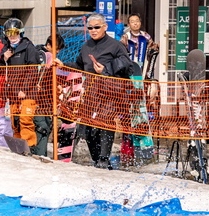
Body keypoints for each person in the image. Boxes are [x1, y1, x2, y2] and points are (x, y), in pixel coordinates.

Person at [74, 12, 134, 168]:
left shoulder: (115, 45)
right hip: (91, 93)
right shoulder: (85, 46)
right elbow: (79, 65)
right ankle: (96, 158)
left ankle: (104, 158)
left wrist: (106, 70)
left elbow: (127, 65)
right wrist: (61, 64)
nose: (93, 30)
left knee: (104, 123)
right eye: (90, 28)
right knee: (87, 129)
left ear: (105, 27)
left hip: (110, 92)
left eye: (97, 27)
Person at [119, 14, 158, 166]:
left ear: (140, 23)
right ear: (129, 24)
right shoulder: (125, 37)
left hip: (143, 74)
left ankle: (145, 143)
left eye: (137, 21)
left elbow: (153, 51)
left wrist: (155, 49)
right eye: (132, 22)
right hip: (130, 74)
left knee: (143, 108)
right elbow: (120, 51)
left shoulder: (146, 37)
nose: (135, 24)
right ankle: (128, 145)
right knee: (130, 111)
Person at [1, 19, 42, 148]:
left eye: (15, 32)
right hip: (13, 91)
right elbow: (2, 70)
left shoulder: (29, 47)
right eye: (9, 33)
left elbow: (33, 70)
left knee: (25, 120)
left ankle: (29, 145)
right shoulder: (6, 49)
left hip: (27, 92)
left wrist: (24, 89)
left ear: (20, 33)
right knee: (15, 121)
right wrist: (4, 59)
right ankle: (19, 146)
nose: (12, 36)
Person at [33, 34, 65, 158]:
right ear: (49, 45)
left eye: (59, 50)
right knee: (43, 127)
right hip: (42, 99)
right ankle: (40, 155)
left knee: (43, 126)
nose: (57, 52)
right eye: (56, 49)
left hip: (45, 98)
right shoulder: (48, 56)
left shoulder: (36, 52)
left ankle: (40, 153)